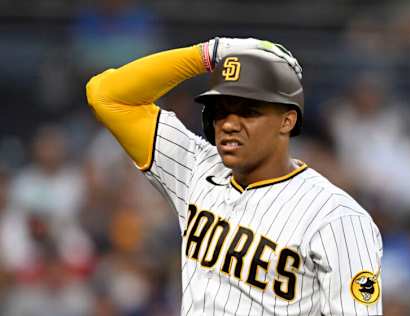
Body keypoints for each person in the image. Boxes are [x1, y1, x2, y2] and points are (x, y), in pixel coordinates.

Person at [86, 37, 383, 316]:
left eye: (248, 112)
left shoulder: (338, 219)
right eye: (221, 111)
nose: (229, 124)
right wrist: (210, 52)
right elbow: (106, 95)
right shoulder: (195, 167)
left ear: (287, 120)